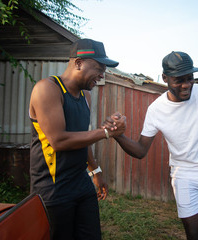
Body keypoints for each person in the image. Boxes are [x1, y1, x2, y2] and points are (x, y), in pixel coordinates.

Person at [111, 51, 198, 240]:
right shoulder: (156, 110)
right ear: (165, 78)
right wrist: (118, 136)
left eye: (190, 78)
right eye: (179, 80)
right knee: (195, 234)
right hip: (184, 175)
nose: (186, 85)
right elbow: (140, 151)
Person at [29, 38, 126, 240]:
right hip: (53, 188)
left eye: (104, 70)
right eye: (99, 68)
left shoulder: (85, 96)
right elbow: (59, 141)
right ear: (79, 63)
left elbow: (82, 137)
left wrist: (96, 171)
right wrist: (107, 132)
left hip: (81, 184)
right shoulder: (47, 89)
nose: (102, 75)